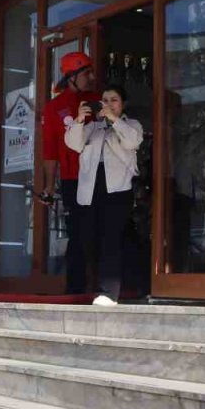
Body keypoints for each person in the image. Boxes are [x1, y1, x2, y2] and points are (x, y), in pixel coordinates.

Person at [64, 83, 142, 306]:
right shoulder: (92, 128)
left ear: (123, 104)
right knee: (90, 240)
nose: (108, 104)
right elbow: (73, 143)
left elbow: (132, 140)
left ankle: (109, 293)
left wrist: (114, 120)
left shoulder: (130, 124)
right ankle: (100, 287)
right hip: (90, 191)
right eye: (104, 100)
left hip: (117, 190)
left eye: (113, 100)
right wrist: (79, 120)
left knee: (111, 240)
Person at [41, 51, 98, 294]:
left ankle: (107, 286)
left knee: (102, 229)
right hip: (72, 180)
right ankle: (76, 289)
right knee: (77, 234)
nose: (92, 77)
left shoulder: (98, 100)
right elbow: (50, 152)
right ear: (71, 76)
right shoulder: (54, 108)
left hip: (100, 176)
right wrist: (49, 187)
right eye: (86, 73)